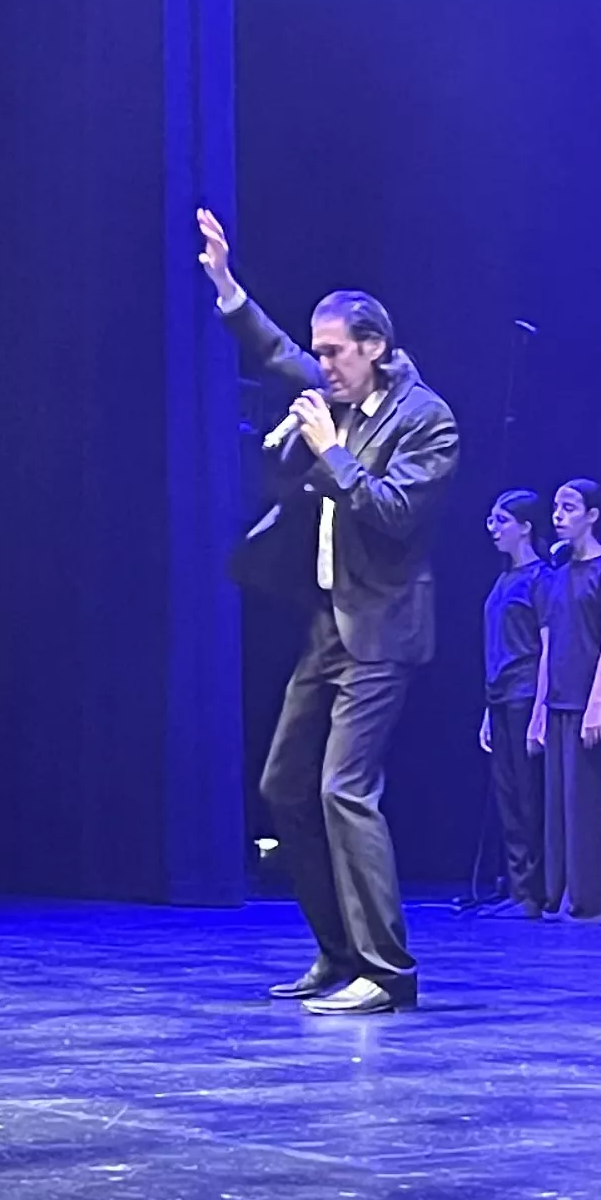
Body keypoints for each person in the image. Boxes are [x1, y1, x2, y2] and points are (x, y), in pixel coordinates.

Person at [198, 213, 458, 1015]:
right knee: (284, 785)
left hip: (383, 628)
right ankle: (337, 951)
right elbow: (277, 351)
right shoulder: (334, 394)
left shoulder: (427, 419)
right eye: (323, 351)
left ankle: (388, 973)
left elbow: (393, 511)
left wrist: (329, 450)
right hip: (328, 626)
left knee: (346, 788)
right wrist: (229, 289)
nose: (323, 365)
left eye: (337, 351)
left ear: (375, 346)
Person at [535, 479, 601, 920]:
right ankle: (560, 890)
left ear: (592, 515)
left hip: (588, 700)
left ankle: (591, 898)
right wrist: (539, 710)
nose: (558, 515)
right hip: (557, 701)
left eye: (569, 507)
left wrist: (596, 704)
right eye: (556, 506)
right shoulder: (557, 574)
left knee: (588, 805)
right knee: (559, 809)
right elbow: (549, 644)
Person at [475, 491, 547, 914]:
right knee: (507, 796)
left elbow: (545, 646)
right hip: (500, 694)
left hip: (525, 693)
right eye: (492, 520)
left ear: (525, 526)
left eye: (502, 521)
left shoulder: (540, 579)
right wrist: (487, 707)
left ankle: (534, 890)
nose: (494, 529)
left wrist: (539, 708)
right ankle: (518, 887)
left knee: (528, 795)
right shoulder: (502, 579)